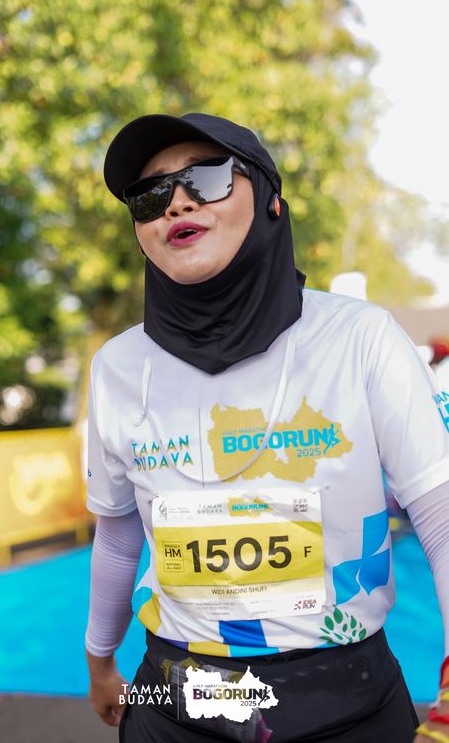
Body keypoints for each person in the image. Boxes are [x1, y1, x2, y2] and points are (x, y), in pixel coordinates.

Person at [85, 113, 449, 742]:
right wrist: (99, 663)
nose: (176, 203)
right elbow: (117, 537)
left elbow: (440, 520)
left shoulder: (361, 338)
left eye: (207, 177)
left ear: (271, 199)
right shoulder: (117, 366)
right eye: (149, 195)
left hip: (346, 698)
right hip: (170, 696)